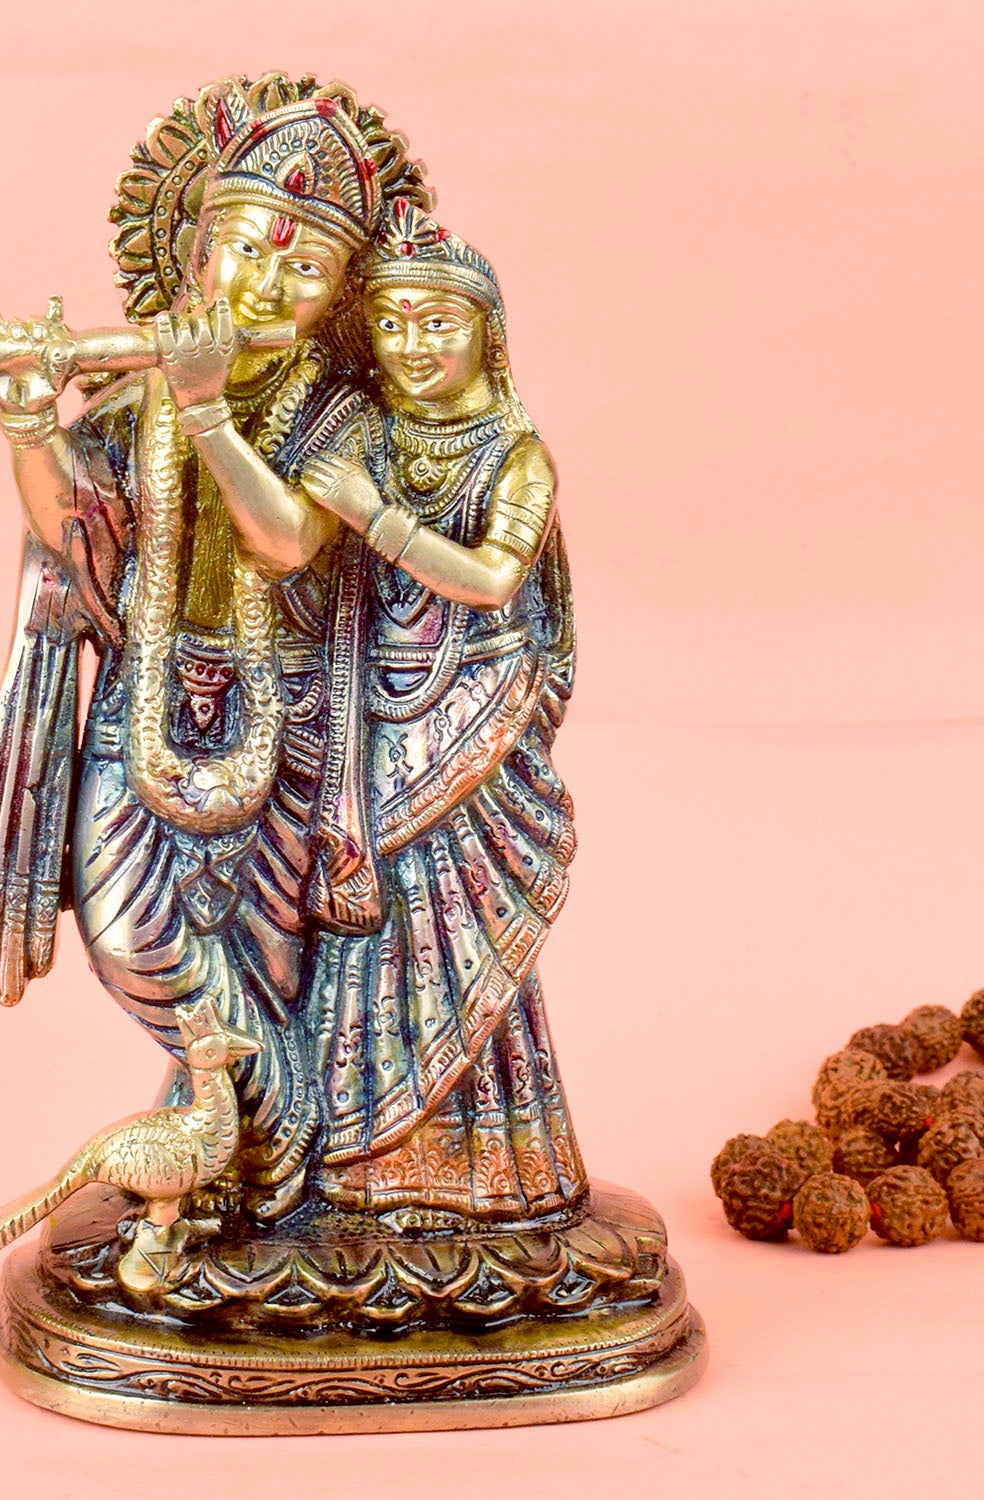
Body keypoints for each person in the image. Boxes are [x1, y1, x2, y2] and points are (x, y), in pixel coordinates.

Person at [0, 88, 429, 1220]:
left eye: (303, 267)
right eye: (243, 249)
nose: (262, 285)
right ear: (195, 250)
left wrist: (211, 409)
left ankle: (247, 1173)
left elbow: (287, 538)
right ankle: (278, 1128)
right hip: (149, 701)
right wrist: (29, 423)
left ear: (343, 297)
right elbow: (74, 526)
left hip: (295, 726)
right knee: (131, 940)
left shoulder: (346, 419)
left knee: (271, 967)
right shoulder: (135, 401)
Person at [295, 200, 587, 1224]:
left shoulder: (515, 455)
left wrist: (372, 515)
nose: (412, 346)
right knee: (365, 922)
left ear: (487, 334)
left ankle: (487, 1169)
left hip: (479, 716)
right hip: (369, 717)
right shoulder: (365, 432)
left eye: (438, 323)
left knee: (465, 932)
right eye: (390, 323)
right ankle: (349, 1160)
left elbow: (496, 579)